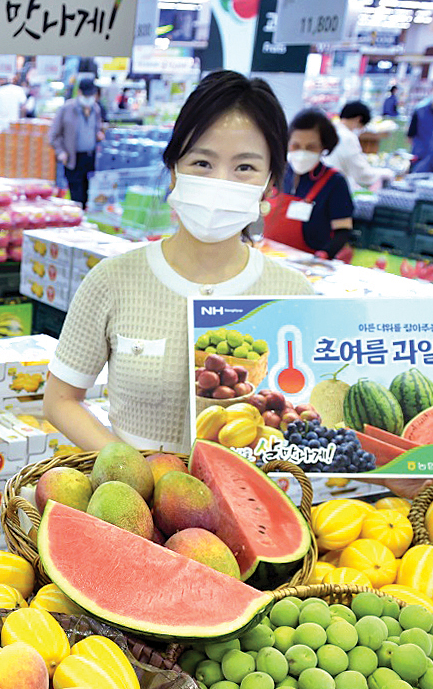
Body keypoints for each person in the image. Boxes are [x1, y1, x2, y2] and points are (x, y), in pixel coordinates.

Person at [43, 70, 313, 453]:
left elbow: (308, 425)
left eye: (245, 168)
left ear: (270, 183)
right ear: (173, 170)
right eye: (202, 163)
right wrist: (124, 464)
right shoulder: (113, 280)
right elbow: (60, 399)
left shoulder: (294, 295)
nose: (221, 181)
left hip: (251, 504)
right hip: (133, 505)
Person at [264, 109, 354, 258]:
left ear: (324, 147)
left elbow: (343, 231)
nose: (302, 152)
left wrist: (323, 256)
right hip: (269, 255)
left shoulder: (335, 183)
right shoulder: (278, 173)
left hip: (308, 263)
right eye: (296, 146)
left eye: (311, 147)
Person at [49, 78, 105, 210]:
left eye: (91, 95)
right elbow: (53, 135)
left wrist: (99, 135)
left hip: (90, 157)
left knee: (86, 193)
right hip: (72, 158)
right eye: (86, 95)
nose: (89, 98)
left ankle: (83, 217)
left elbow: (97, 129)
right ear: (79, 92)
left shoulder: (95, 109)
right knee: (76, 194)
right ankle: (75, 218)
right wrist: (61, 152)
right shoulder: (66, 109)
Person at [324, 100, 393, 193]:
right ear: (358, 119)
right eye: (362, 127)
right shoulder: (348, 137)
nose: (361, 130)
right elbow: (362, 174)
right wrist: (385, 173)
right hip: (335, 190)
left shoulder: (330, 130)